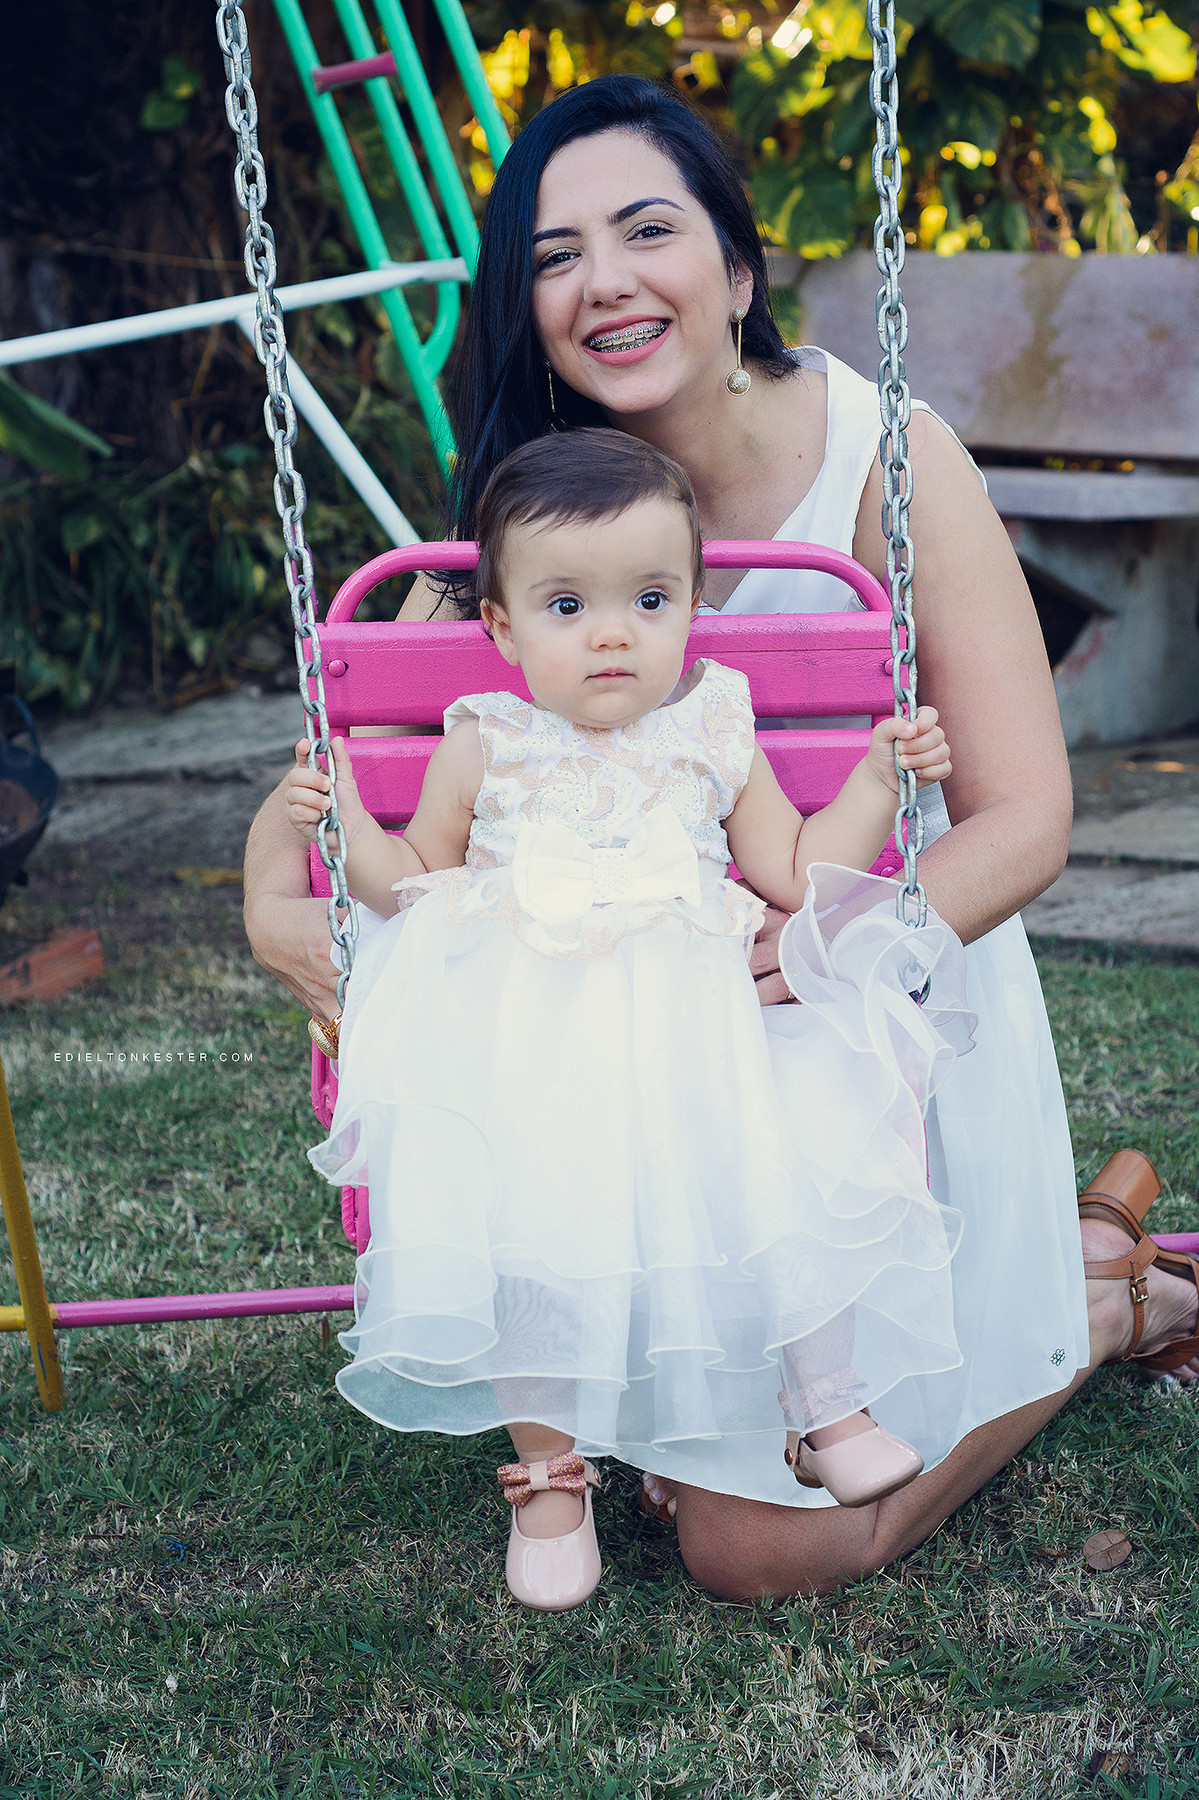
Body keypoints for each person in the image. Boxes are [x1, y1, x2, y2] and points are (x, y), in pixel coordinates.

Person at [243, 75, 1199, 1599]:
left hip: (848, 1032)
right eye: (554, 256)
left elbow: (1025, 817)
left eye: (644, 231)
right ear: (522, 303)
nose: (603, 281)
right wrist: (274, 898)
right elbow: (337, 764)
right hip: (621, 1083)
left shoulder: (889, 458)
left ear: (737, 269)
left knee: (752, 1548)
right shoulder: (532, 516)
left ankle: (1090, 1302)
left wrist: (835, 941)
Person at [286, 428, 970, 1611]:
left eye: (648, 598)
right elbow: (410, 887)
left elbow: (798, 874)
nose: (611, 631)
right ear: (499, 627)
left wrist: (875, 780)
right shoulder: (481, 743)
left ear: (691, 605)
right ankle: (551, 1481)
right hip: (534, 1055)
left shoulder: (714, 730)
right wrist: (338, 810)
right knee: (529, 1242)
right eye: (565, 603)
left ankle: (825, 1405)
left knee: (787, 1158)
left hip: (702, 1049)